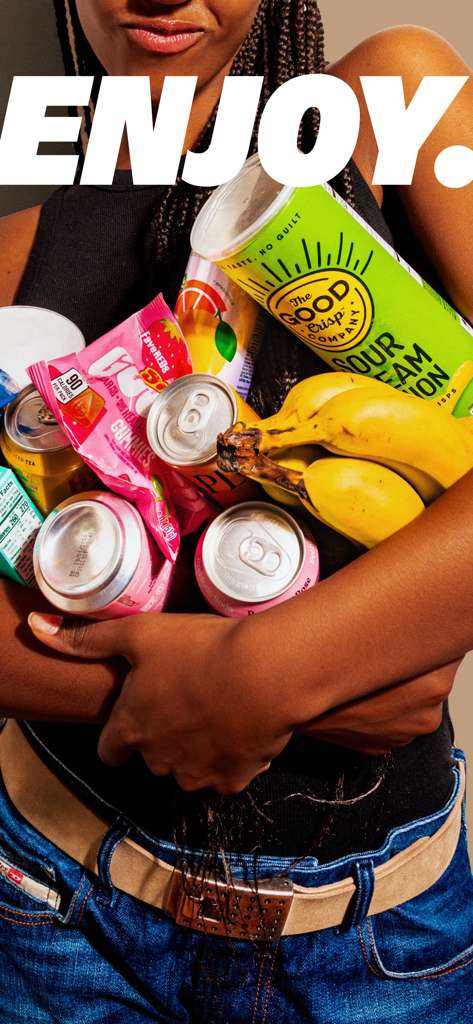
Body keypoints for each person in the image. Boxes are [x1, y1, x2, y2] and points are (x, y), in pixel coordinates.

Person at [0, 1, 472, 1020]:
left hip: (374, 936)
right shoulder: (17, 199)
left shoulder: (387, 103)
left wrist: (268, 667)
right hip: (54, 907)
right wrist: (295, 687)